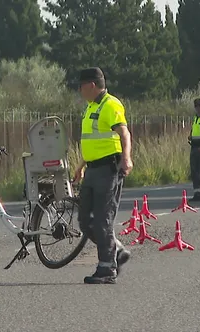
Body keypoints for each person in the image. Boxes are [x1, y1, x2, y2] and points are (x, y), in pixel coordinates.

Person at [72, 67, 133, 285]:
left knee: (102, 219)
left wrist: (127, 158)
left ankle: (107, 269)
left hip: (108, 169)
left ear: (91, 85)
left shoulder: (111, 105)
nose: (79, 90)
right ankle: (116, 251)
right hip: (91, 169)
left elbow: (124, 133)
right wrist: (80, 166)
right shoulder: (90, 108)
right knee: (85, 220)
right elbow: (92, 142)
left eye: (80, 86)